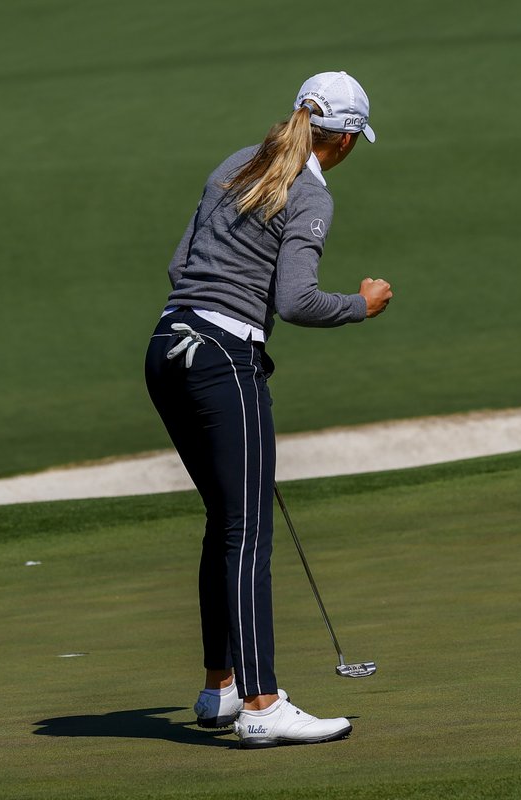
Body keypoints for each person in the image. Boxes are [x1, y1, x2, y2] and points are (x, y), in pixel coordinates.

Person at [143, 71, 392, 749]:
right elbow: (297, 301)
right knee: (248, 531)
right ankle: (261, 703)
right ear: (341, 138)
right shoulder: (308, 192)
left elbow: (178, 267)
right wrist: (360, 307)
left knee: (226, 521)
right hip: (222, 358)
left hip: (167, 349)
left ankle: (220, 688)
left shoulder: (235, 163)